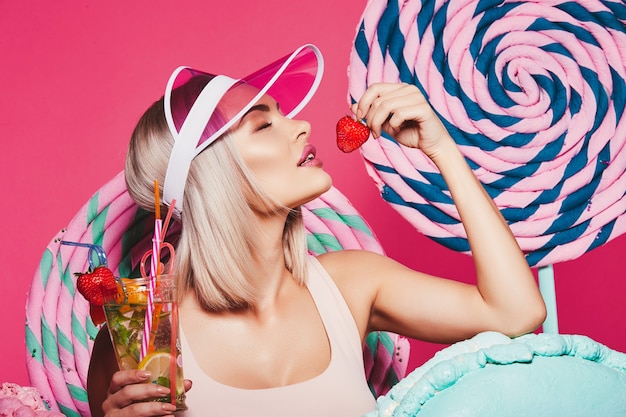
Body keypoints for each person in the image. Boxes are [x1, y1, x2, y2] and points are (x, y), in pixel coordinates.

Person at [87, 44, 546, 417]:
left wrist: (441, 148)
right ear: (213, 175)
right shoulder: (142, 334)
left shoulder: (351, 284)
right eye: (264, 124)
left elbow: (514, 313)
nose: (302, 125)